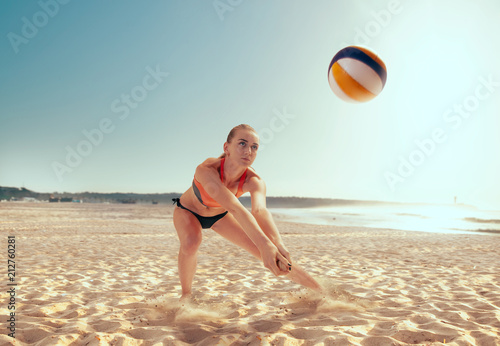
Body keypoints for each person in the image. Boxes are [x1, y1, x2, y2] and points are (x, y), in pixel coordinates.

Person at [172, 124, 321, 300]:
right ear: (226, 147)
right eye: (242, 144)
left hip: (219, 216)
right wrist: (265, 244)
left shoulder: (255, 181)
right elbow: (235, 207)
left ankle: (321, 291)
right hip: (188, 211)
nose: (248, 151)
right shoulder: (206, 169)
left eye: (254, 147)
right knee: (191, 243)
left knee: (274, 255)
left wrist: (277, 244)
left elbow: (260, 211)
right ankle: (186, 295)